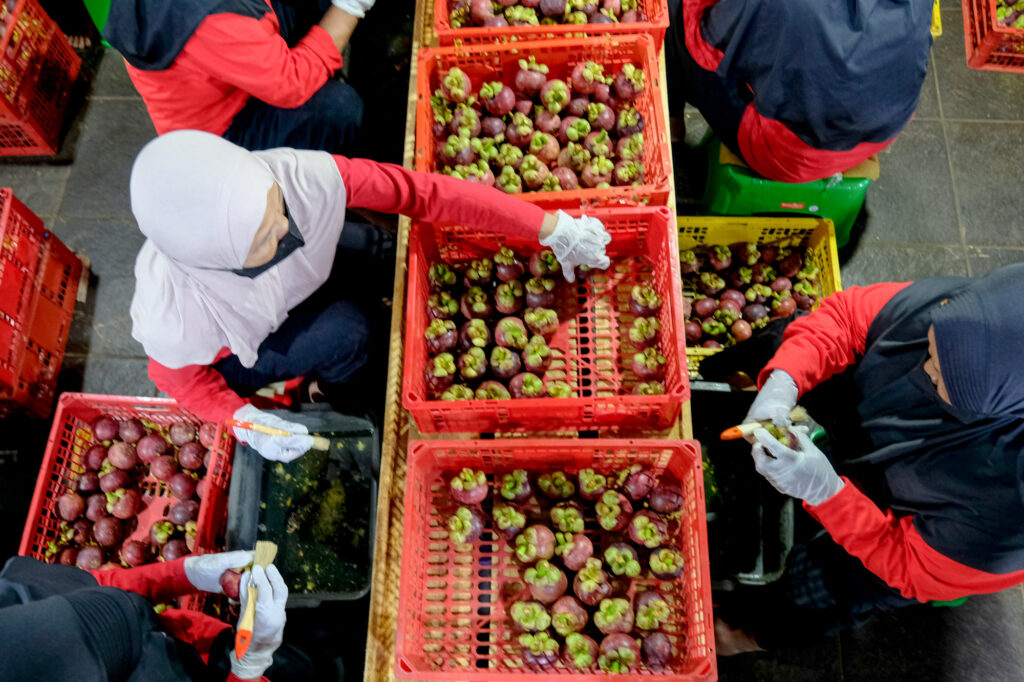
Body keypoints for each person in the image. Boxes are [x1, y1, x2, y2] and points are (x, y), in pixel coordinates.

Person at [128, 130, 612, 463]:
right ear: (219, 258)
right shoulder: (176, 317)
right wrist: (240, 419)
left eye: (276, 206)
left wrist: (547, 226)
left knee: (380, 248)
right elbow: (178, 380)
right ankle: (330, 392)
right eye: (261, 239)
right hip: (243, 347)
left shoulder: (296, 177)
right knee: (353, 333)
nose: (282, 226)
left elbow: (421, 193)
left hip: (295, 282)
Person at [714, 263, 1024, 654]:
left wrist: (827, 493)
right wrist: (783, 382)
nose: (926, 364)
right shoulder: (973, 313)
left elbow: (908, 566)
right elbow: (846, 318)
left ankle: (743, 638)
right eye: (931, 345)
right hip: (867, 412)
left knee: (826, 587)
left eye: (942, 374)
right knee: (781, 341)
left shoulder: (1007, 517)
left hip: (904, 516)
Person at [665, 0, 934, 183]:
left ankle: (671, 127)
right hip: (885, 126)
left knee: (673, 10)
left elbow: (705, 46)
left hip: (791, 153)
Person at [103, 0, 370, 154]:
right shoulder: (206, 18)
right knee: (338, 107)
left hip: (229, 68)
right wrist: (351, 6)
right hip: (219, 134)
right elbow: (292, 82)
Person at [0, 550, 289, 681]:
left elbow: (92, 589)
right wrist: (249, 670)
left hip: (193, 641)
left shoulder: (10, 598)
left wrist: (184, 574)